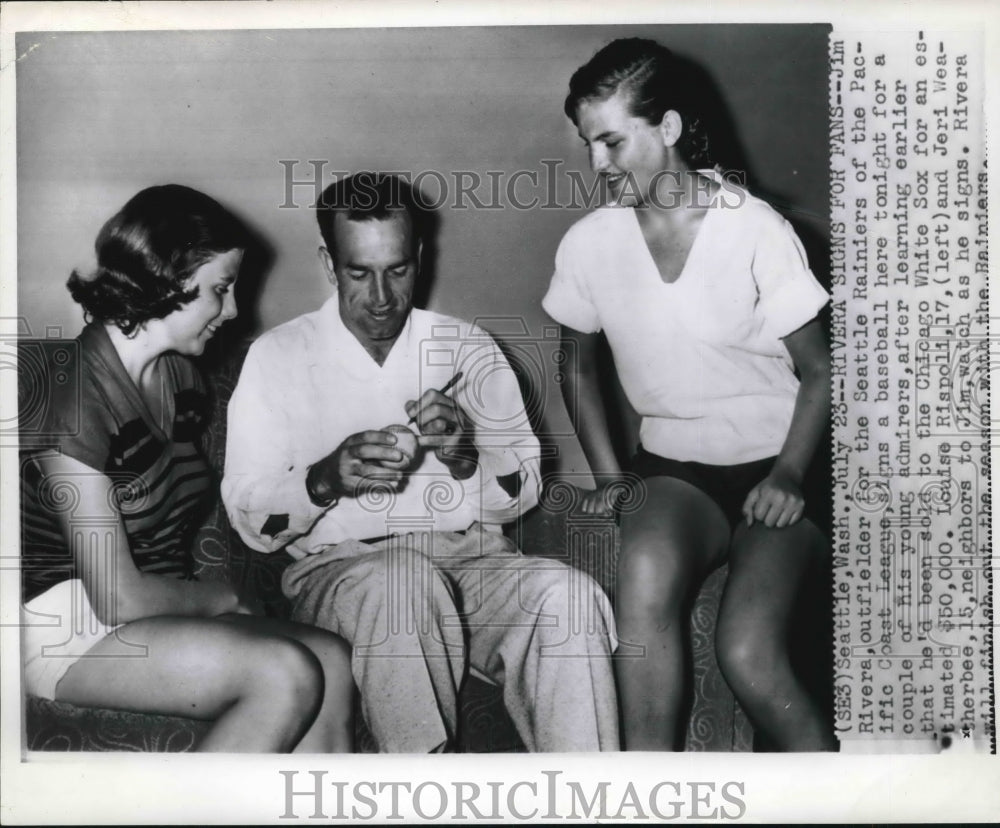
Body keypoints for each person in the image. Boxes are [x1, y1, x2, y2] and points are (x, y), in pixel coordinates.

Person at [222, 172, 619, 753]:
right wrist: (323, 479)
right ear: (329, 264)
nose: (381, 298)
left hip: (470, 559)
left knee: (569, 598)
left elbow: (523, 491)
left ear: (421, 258)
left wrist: (464, 457)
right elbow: (254, 524)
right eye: (359, 273)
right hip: (347, 573)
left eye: (398, 270)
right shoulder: (278, 357)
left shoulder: (467, 347)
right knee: (406, 585)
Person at [543, 38, 837, 751]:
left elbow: (822, 372)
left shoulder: (755, 228)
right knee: (640, 588)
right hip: (676, 466)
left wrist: (790, 475)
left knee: (746, 648)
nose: (597, 165)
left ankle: (840, 787)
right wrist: (611, 476)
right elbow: (576, 363)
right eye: (587, 145)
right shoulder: (589, 244)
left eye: (612, 142)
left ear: (668, 128)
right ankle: (650, 791)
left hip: (780, 463)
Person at [20, 185, 354, 753]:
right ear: (167, 282)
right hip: (64, 627)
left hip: (145, 616)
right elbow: (117, 600)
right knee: (284, 672)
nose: (233, 311)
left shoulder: (181, 379)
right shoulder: (74, 401)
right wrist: (221, 598)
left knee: (333, 659)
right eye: (219, 290)